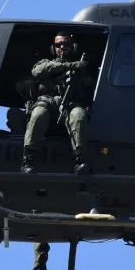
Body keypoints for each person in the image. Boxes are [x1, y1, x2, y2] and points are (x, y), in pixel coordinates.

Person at [20, 31, 94, 176]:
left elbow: (91, 85)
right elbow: (37, 71)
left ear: (73, 46)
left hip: (71, 103)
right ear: (54, 48)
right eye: (58, 44)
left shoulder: (82, 67)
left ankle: (79, 160)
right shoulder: (46, 62)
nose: (62, 47)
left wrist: (80, 78)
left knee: (78, 115)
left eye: (66, 44)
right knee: (38, 114)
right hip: (47, 101)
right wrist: (70, 66)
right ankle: (27, 159)